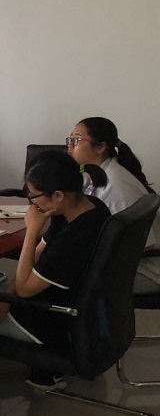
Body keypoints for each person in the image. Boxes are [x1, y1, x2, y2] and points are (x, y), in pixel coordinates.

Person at [0, 150, 110, 391]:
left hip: (49, 317)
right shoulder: (85, 208)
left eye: (34, 196)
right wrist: (6, 296)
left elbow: (26, 289)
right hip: (58, 300)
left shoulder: (75, 239)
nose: (31, 203)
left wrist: (31, 231)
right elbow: (38, 253)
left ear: (58, 195)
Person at [66, 117, 160, 292]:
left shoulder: (117, 187)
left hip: (142, 268)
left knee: (62, 275)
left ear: (101, 147)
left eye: (76, 140)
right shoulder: (94, 173)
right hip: (123, 262)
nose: (70, 145)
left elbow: (144, 245)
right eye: (70, 139)